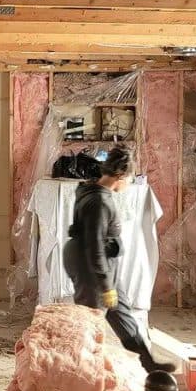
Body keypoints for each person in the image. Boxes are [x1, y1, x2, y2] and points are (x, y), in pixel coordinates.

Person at [63, 147, 175, 373]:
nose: (130, 183)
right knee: (91, 319)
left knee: (121, 312)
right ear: (120, 176)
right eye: (130, 179)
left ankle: (149, 363)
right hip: (89, 264)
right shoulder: (98, 202)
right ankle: (80, 372)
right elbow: (94, 247)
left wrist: (109, 284)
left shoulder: (93, 190)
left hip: (104, 263)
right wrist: (105, 285)